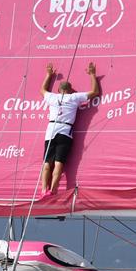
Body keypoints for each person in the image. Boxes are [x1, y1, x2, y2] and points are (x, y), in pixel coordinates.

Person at [40, 61, 100, 196]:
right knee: (58, 162)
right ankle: (53, 190)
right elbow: (95, 92)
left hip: (51, 130)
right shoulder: (74, 97)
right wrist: (92, 75)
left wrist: (48, 75)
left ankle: (44, 190)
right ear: (71, 90)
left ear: (58, 90)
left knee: (47, 163)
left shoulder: (52, 97)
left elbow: (42, 90)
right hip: (65, 132)